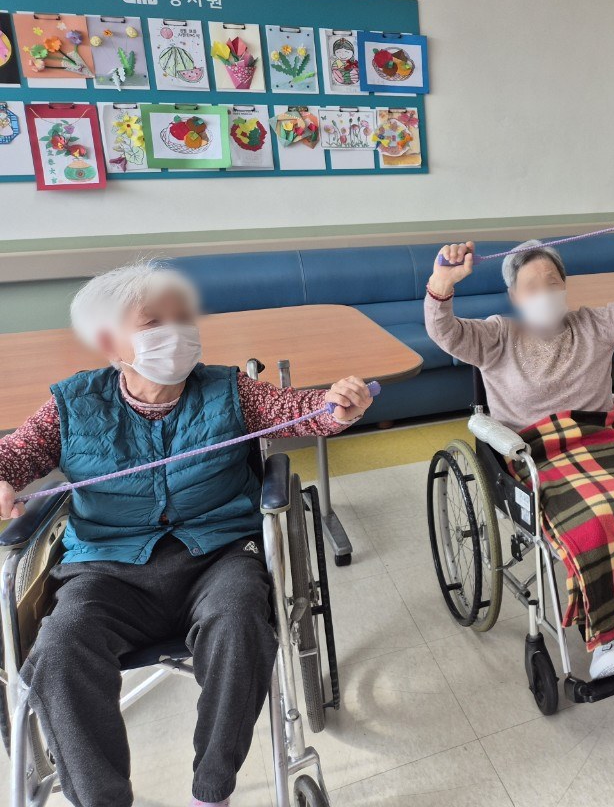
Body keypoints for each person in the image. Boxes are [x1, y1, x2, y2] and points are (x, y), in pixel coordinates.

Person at [0, 261, 373, 807]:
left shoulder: (227, 388)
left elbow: (297, 412)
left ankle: (211, 791)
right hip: (107, 572)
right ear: (110, 343)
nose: (176, 331)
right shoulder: (71, 404)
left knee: (242, 622)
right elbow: (14, 454)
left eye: (183, 317)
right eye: (155, 322)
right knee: (59, 650)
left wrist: (337, 407)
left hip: (218, 558)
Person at [426, 204, 614, 682]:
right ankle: (607, 640)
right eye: (531, 287)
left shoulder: (593, 324)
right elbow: (445, 332)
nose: (544, 293)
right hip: (537, 453)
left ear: (565, 286)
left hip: (605, 437)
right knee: (596, 515)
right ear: (513, 295)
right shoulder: (498, 335)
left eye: (552, 283)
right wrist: (441, 286)